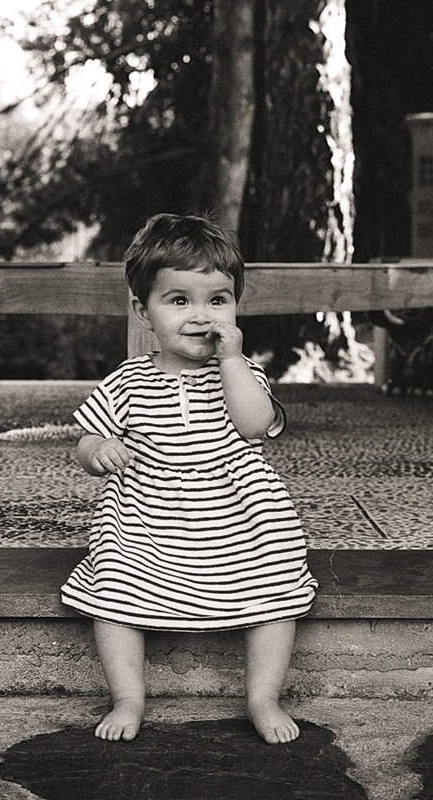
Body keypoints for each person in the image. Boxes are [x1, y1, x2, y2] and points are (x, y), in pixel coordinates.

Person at [61, 213, 317, 745]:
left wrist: (233, 361)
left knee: (277, 581)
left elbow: (254, 425)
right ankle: (128, 697)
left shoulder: (243, 374)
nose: (201, 316)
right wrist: (98, 451)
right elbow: (87, 439)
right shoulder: (127, 381)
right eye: (179, 300)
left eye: (217, 300)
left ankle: (263, 696)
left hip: (238, 515)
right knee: (113, 584)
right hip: (147, 516)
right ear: (144, 311)